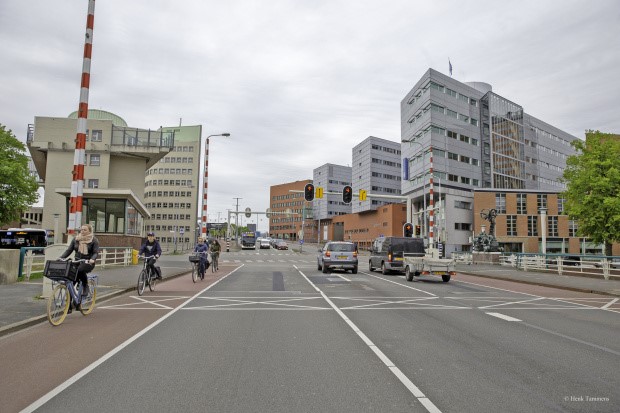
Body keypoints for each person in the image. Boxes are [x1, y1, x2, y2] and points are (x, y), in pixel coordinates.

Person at [60, 224, 99, 308]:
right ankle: (69, 305)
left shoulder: (94, 240)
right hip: (77, 261)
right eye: (81, 229)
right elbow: (69, 250)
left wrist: (92, 259)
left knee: (80, 270)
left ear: (89, 231)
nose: (82, 231)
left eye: (85, 230)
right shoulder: (76, 239)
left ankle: (85, 286)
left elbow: (96, 252)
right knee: (70, 281)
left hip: (88, 262)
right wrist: (60, 258)